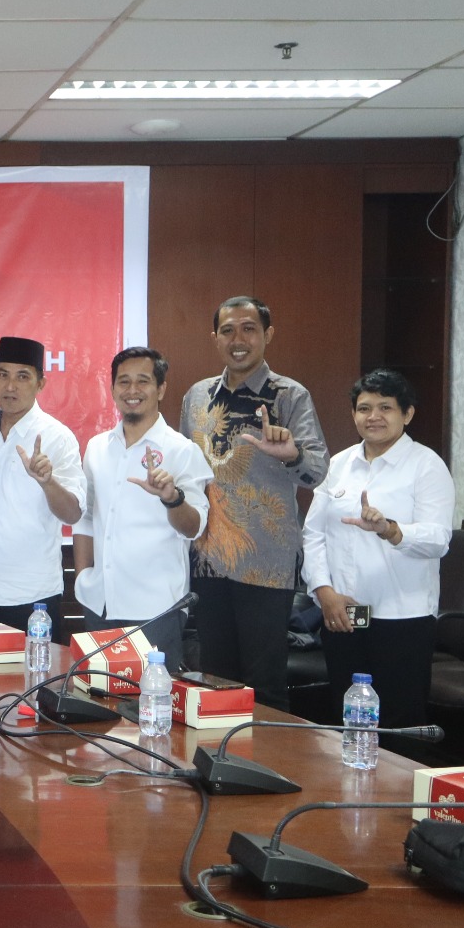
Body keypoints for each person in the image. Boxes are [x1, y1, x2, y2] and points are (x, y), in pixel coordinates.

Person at [181, 296, 328, 711]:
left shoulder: (289, 395)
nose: (238, 340)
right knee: (215, 680)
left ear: (268, 335)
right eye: (228, 331)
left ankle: (271, 754)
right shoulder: (197, 396)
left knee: (264, 685)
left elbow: (317, 471)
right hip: (208, 559)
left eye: (249, 329)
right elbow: (186, 471)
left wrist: (291, 455)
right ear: (215, 337)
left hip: (266, 561)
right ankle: (219, 753)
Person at [303, 369, 452, 735]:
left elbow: (438, 539)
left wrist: (391, 529)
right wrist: (324, 592)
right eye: (364, 408)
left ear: (407, 414)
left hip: (402, 619)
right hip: (345, 614)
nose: (374, 416)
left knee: (399, 726)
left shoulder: (426, 465)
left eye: (386, 407)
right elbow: (313, 533)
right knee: (347, 721)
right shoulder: (338, 465)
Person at [73, 347, 213, 665]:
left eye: (143, 381)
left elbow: (194, 527)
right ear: (112, 389)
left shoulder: (182, 451)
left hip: (156, 611)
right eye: (124, 382)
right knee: (99, 694)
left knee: (154, 696)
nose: (132, 390)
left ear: (160, 389)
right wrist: (83, 576)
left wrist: (172, 498)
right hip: (99, 603)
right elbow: (86, 518)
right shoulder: (97, 448)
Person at [0, 336, 85, 641]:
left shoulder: (57, 437)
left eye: (23, 377)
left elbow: (72, 513)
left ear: (41, 383)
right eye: (3, 374)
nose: (10, 386)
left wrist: (47, 482)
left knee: (35, 673)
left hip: (33, 598)